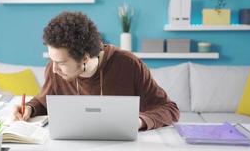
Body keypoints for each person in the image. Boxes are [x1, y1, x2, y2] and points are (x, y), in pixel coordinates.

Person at [13, 11, 179, 130]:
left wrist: (139, 122)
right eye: (51, 60)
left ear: (85, 58)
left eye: (61, 62)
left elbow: (169, 109)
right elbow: (44, 101)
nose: (54, 69)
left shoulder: (128, 64)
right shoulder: (54, 69)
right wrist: (29, 108)